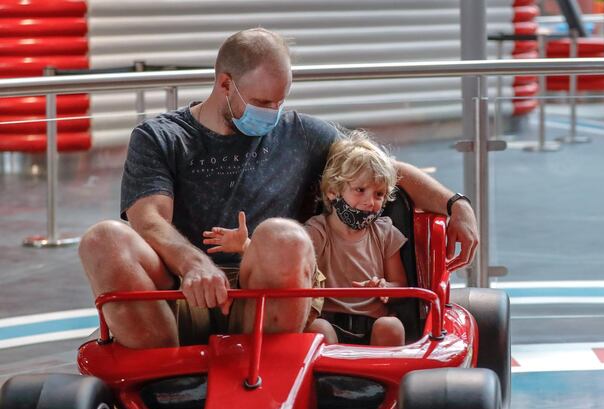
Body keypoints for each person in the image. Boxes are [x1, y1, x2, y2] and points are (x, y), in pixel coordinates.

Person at [78, 27, 479, 350]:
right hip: (184, 292)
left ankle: (270, 367)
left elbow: (383, 171)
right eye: (261, 102)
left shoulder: (301, 134)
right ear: (224, 85)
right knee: (103, 239)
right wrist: (193, 264)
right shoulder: (160, 137)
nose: (272, 113)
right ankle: (163, 385)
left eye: (279, 102)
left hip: (267, 296)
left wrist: (455, 204)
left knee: (283, 234)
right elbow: (147, 219)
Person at [205, 130, 407, 346]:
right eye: (360, 190)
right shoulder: (317, 230)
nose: (370, 202)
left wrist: (385, 287)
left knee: (392, 326)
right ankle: (327, 379)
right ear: (332, 192)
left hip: (374, 321)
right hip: (329, 320)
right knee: (318, 329)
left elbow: (402, 286)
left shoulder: (385, 232)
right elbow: (292, 264)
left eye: (379, 194)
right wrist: (246, 245)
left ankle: (383, 378)